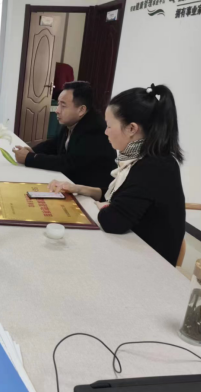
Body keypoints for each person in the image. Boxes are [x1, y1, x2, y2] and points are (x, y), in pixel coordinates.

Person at [49, 84, 185, 266]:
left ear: (131, 129)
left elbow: (112, 221)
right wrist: (78, 188)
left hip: (149, 264)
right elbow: (121, 196)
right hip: (134, 249)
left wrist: (105, 207)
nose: (105, 132)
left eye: (109, 126)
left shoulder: (152, 167)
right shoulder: (149, 158)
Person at [13, 81, 116, 194]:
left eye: (63, 106)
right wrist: (32, 151)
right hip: (72, 182)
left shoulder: (94, 129)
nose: (57, 110)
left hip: (92, 193)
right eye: (58, 104)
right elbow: (54, 143)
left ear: (81, 110)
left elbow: (68, 164)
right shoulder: (72, 121)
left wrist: (30, 158)